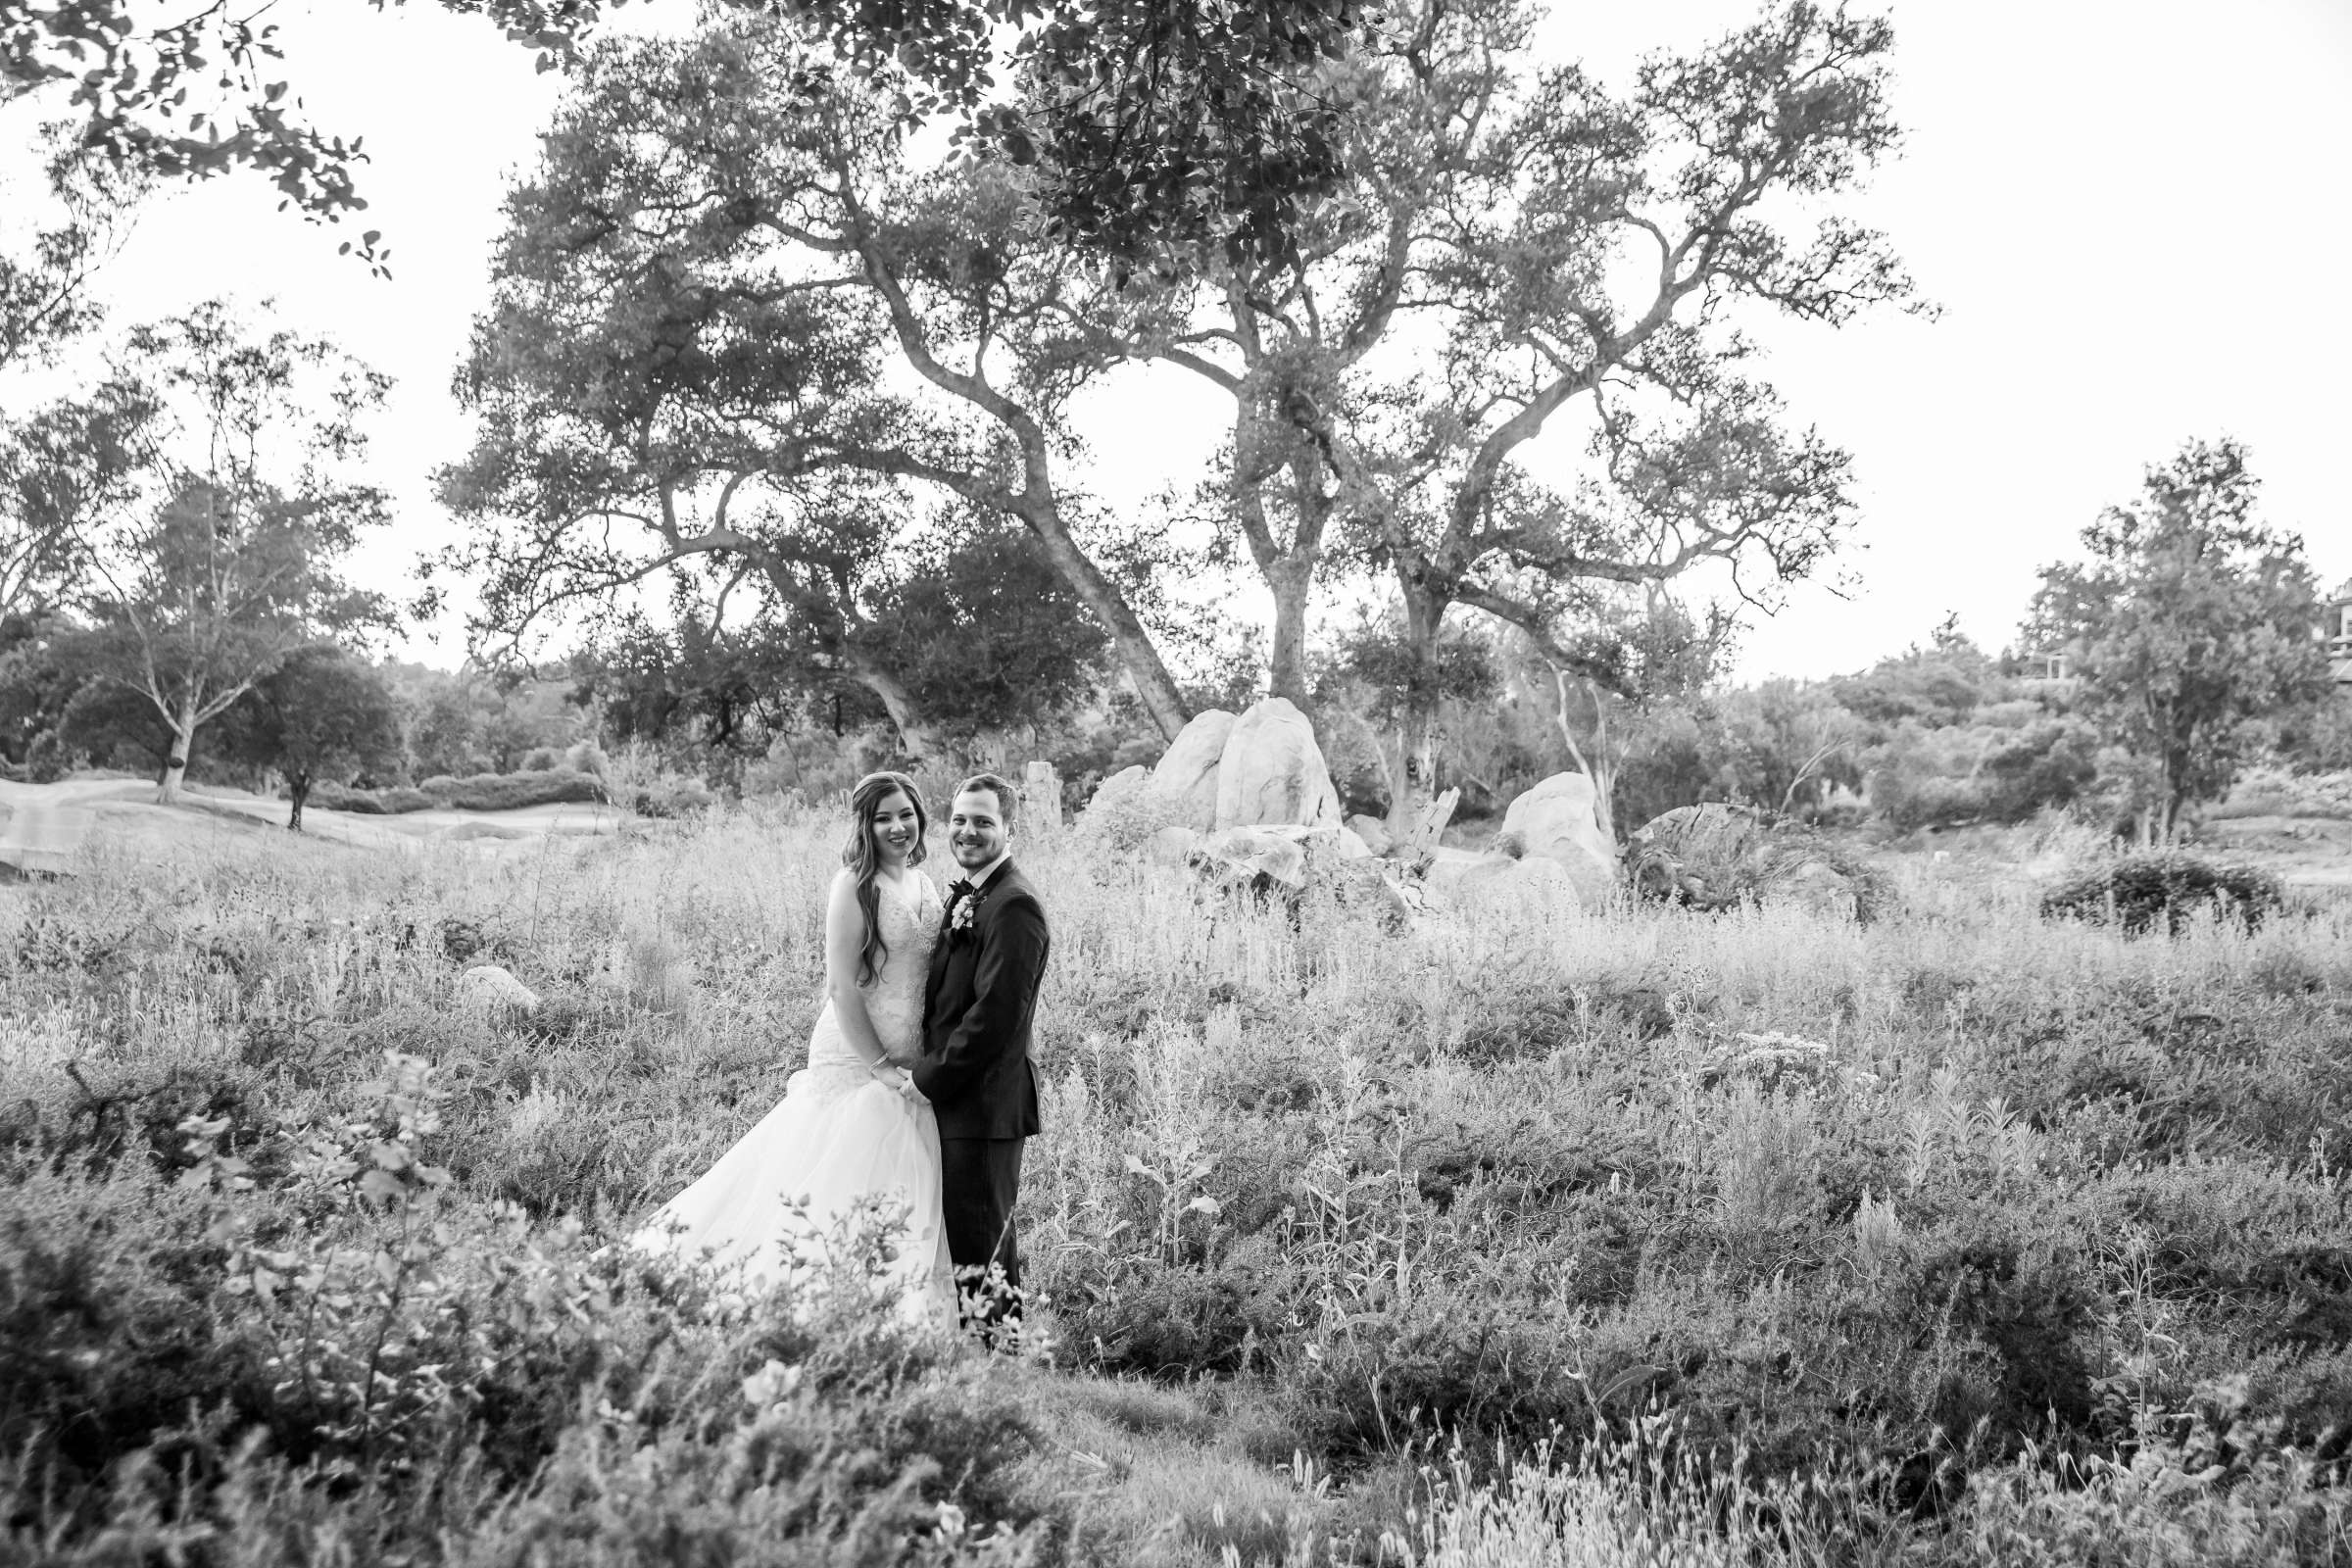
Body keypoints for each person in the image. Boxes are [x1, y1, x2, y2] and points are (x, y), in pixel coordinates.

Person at [630, 770, 953, 1331]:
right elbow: (841, 986)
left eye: (906, 813)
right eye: (883, 818)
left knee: (903, 1171)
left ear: (921, 816)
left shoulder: (924, 885)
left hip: (912, 1053)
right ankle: (802, 1300)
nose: (898, 826)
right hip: (856, 1053)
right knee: (840, 1166)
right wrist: (877, 1066)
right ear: (864, 826)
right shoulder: (853, 886)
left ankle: (885, 1308)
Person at [914, 772, 1051, 1345]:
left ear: (1009, 829)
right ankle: (980, 1358)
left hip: (983, 1105)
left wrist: (927, 1078)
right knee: (967, 1241)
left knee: (985, 1244)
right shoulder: (973, 894)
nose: (968, 832)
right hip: (961, 1103)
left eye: (984, 822)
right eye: (961, 820)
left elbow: (995, 1020)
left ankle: (1002, 1364)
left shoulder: (1014, 906)